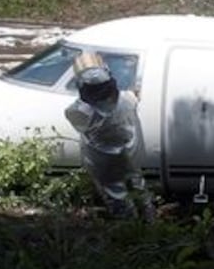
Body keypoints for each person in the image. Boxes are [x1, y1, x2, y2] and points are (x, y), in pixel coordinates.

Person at [64, 60, 155, 221]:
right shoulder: (127, 100)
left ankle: (127, 229)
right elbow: (133, 96)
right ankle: (149, 222)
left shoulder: (77, 111)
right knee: (139, 188)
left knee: (116, 195)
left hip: (103, 162)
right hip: (129, 155)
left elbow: (78, 110)